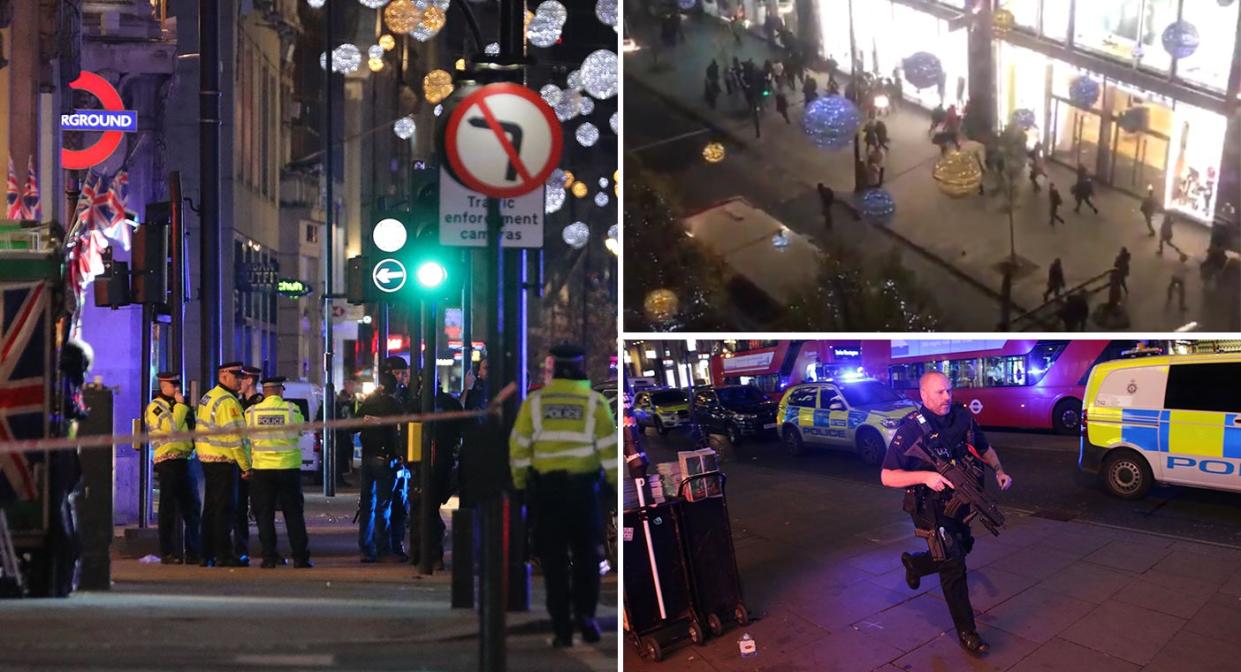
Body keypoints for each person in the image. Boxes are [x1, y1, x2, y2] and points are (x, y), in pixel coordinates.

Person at [881, 372, 1012, 657]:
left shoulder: (962, 418)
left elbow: (984, 447)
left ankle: (916, 566)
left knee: (963, 547)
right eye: (939, 393)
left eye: (949, 391)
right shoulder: (911, 429)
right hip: (930, 507)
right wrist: (926, 476)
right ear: (924, 396)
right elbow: (887, 476)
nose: (947, 397)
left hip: (959, 502)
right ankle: (968, 632)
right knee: (954, 564)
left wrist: (999, 470)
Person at [509, 343, 618, 648]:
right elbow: (609, 450)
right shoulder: (595, 403)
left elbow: (518, 449)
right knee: (587, 559)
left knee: (554, 563)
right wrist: (610, 485)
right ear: (581, 368)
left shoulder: (534, 404)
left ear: (552, 368)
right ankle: (585, 616)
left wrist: (521, 486)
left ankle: (561, 628)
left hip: (547, 494)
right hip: (584, 492)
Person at [245, 377, 312, 569]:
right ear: (280, 390)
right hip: (288, 468)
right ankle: (300, 558)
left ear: (264, 392)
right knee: (293, 514)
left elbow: (247, 437)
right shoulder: (292, 410)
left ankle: (269, 557)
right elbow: (300, 431)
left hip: (262, 470)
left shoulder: (251, 412)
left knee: (264, 514)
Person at [195, 361, 250, 568]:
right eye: (236, 376)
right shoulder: (227, 402)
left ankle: (206, 554)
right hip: (223, 460)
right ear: (224, 375)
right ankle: (224, 554)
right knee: (224, 511)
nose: (240, 380)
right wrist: (246, 466)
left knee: (210, 509)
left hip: (208, 459)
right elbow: (235, 439)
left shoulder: (209, 397)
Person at [144, 372, 201, 565]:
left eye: (178, 384)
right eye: (172, 385)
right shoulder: (155, 407)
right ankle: (168, 552)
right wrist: (180, 407)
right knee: (168, 510)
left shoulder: (179, 406)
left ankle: (193, 551)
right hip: (167, 462)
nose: (176, 388)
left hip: (184, 460)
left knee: (192, 508)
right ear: (162, 385)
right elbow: (173, 428)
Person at [355, 370, 405, 563]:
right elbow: (399, 432)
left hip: (367, 457)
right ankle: (382, 547)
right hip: (385, 459)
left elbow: (353, 426)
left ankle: (366, 548)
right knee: (383, 505)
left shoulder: (369, 403)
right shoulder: (394, 405)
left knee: (367, 504)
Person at [234, 365, 264, 564]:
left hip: (260, 463)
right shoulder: (236, 403)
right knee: (239, 509)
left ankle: (268, 550)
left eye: (241, 379)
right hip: (242, 464)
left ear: (250, 381)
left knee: (262, 509)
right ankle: (241, 550)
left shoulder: (260, 404)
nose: (238, 383)